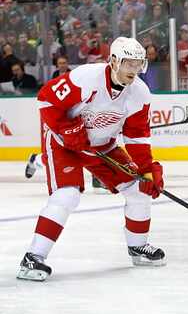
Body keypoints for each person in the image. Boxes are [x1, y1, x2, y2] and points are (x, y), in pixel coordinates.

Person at [18, 37, 166, 281]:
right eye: (129, 63)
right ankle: (33, 258)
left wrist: (147, 170)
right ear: (114, 61)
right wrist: (68, 130)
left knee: (139, 189)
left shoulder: (140, 93)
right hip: (63, 143)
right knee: (68, 195)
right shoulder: (85, 78)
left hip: (103, 147)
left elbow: (137, 136)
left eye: (138, 64)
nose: (134, 70)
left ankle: (138, 246)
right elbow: (47, 98)